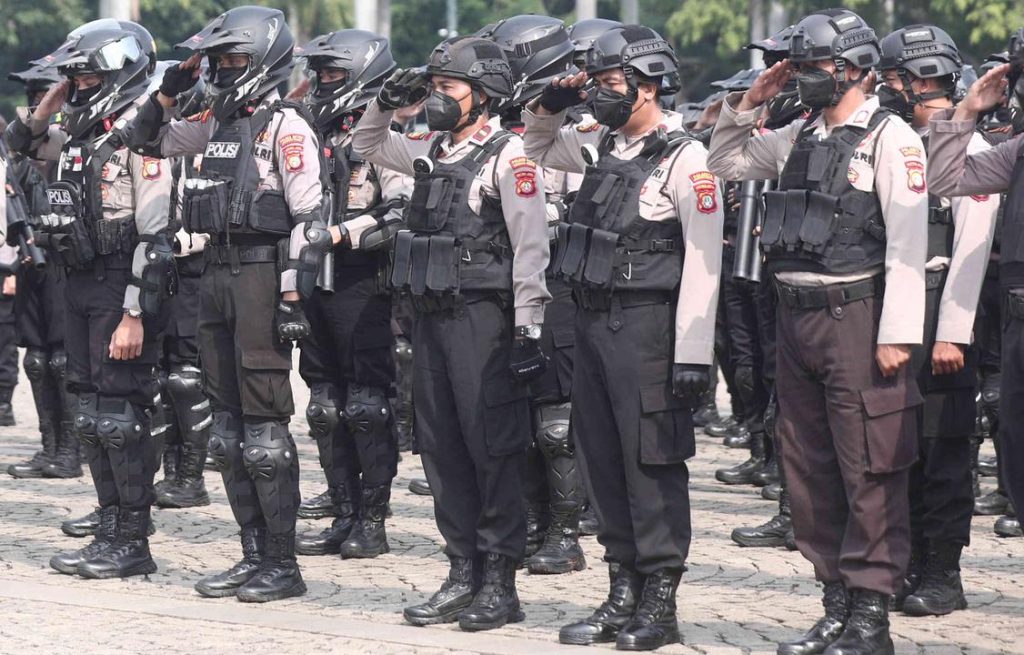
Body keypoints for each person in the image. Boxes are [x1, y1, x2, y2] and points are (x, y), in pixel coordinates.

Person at [708, 9, 927, 655]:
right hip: (794, 321)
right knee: (807, 468)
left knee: (870, 466)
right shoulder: (797, 136)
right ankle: (834, 600)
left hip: (857, 319)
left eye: (813, 67)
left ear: (854, 70)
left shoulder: (890, 138)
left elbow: (909, 247)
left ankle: (870, 616)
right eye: (796, 67)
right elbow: (725, 159)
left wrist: (898, 333)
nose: (802, 77)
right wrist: (751, 101)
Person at [525, 24, 722, 651]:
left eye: (611, 85)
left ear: (648, 86)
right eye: (599, 84)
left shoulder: (687, 158)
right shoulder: (596, 146)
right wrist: (558, 98)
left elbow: (705, 258)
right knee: (601, 458)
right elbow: (533, 143)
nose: (601, 96)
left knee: (651, 463)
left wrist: (693, 354)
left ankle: (659, 598)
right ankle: (621, 591)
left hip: (648, 329)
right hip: (590, 323)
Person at [125, 5, 328, 602]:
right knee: (227, 432)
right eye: (215, 61)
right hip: (214, 274)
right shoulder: (214, 124)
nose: (220, 70)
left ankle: (283, 565)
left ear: (262, 63)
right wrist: (168, 93)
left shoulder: (286, 127)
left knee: (265, 432)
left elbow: (309, 219)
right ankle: (252, 554)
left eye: (231, 60)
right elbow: (146, 140)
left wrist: (293, 295)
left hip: (263, 278)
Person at [352, 35, 551, 631]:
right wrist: (388, 101)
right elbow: (364, 142)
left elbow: (531, 249)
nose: (437, 98)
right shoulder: (428, 150)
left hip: (484, 323)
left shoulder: (508, 158)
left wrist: (528, 328)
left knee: (491, 448)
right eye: (434, 88)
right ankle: (461, 569)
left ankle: (499, 581)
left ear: (483, 96)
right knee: (441, 449)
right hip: (432, 321)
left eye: (448, 89)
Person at [6, 19, 173, 579]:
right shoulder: (78, 136)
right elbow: (21, 143)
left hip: (116, 286)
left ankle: (132, 541)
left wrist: (133, 313)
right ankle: (108, 529)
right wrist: (52, 97)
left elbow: (155, 236)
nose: (77, 85)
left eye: (86, 76)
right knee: (93, 418)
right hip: (74, 281)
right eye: (73, 78)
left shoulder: (141, 140)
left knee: (121, 417)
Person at [876, 24, 999, 617]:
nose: (886, 87)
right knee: (900, 446)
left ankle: (943, 571)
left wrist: (953, 328)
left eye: (895, 77)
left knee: (944, 446)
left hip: (943, 312)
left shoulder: (970, 148)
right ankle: (907, 562)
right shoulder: (892, 139)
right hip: (896, 305)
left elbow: (972, 247)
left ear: (924, 79)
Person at [292, 28, 409, 559]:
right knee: (324, 407)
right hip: (313, 279)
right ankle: (342, 512)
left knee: (366, 406)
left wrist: (344, 234)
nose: (320, 82)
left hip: (364, 285)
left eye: (332, 73)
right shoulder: (305, 132)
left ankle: (373, 520)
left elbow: (401, 212)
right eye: (318, 73)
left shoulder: (381, 139)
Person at [477, 13, 587, 575]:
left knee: (555, 419)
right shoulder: (494, 126)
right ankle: (531, 523)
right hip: (504, 283)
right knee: (517, 415)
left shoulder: (578, 123)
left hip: (560, 280)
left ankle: (566, 535)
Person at [925, 27, 1024, 539]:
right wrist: (966, 112)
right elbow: (944, 178)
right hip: (1016, 322)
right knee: (1015, 448)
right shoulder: (1017, 152)